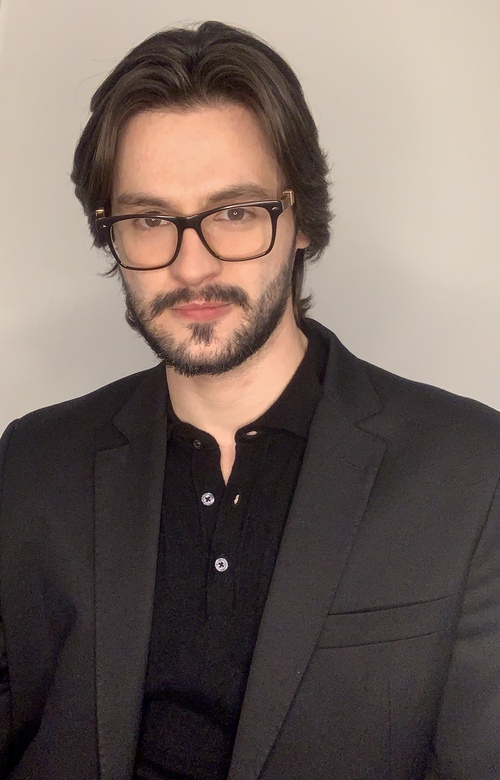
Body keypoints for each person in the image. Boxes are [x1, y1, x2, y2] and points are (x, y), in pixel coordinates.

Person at [0, 20, 499, 780]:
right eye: (150, 220)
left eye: (234, 212)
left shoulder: (470, 473)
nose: (192, 266)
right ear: (111, 236)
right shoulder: (32, 462)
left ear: (301, 223)